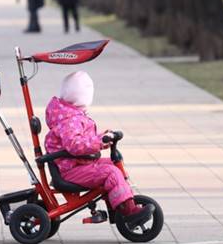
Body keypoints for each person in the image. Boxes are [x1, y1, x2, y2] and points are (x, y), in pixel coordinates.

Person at [44, 71, 152, 224]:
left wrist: (102, 137)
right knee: (111, 172)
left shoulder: (72, 115)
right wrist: (99, 142)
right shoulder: (70, 120)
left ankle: (117, 204)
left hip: (78, 165)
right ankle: (129, 211)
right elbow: (75, 145)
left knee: (112, 164)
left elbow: (83, 139)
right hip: (70, 171)